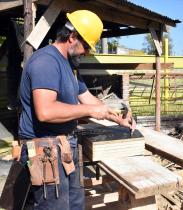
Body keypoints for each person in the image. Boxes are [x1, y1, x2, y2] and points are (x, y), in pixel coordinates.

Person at [18, 10, 135, 210]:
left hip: (65, 145)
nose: (87, 52)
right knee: (52, 206)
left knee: (75, 205)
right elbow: (45, 111)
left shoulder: (70, 66)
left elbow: (89, 99)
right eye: (87, 46)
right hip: (44, 149)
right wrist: (88, 110)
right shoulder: (46, 62)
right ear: (72, 37)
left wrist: (118, 119)